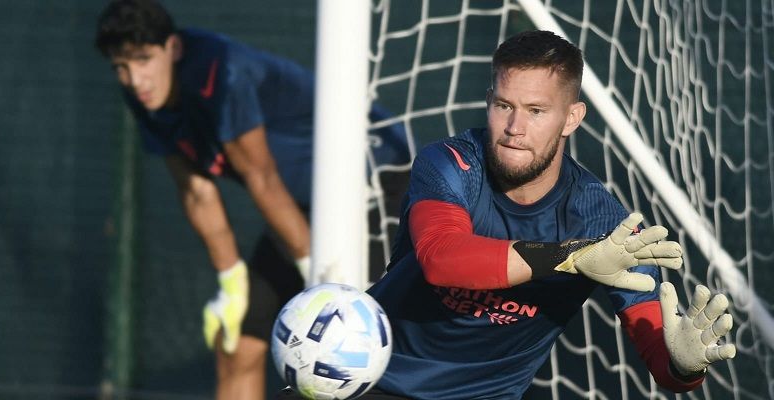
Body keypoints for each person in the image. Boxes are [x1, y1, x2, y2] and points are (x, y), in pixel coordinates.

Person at [280, 30, 737, 399]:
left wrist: (684, 364)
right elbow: (443, 258)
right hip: (370, 383)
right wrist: (572, 259)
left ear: (572, 118)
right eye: (504, 106)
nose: (515, 129)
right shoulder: (450, 164)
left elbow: (663, 360)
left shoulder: (603, 222)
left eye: (536, 111)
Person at [94, 1, 409, 399]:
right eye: (121, 66)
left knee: (351, 351)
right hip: (299, 207)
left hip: (376, 185)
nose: (135, 78)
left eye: (143, 59)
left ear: (172, 48)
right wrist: (230, 282)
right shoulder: (143, 96)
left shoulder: (222, 72)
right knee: (237, 341)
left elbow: (261, 177)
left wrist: (316, 274)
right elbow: (196, 190)